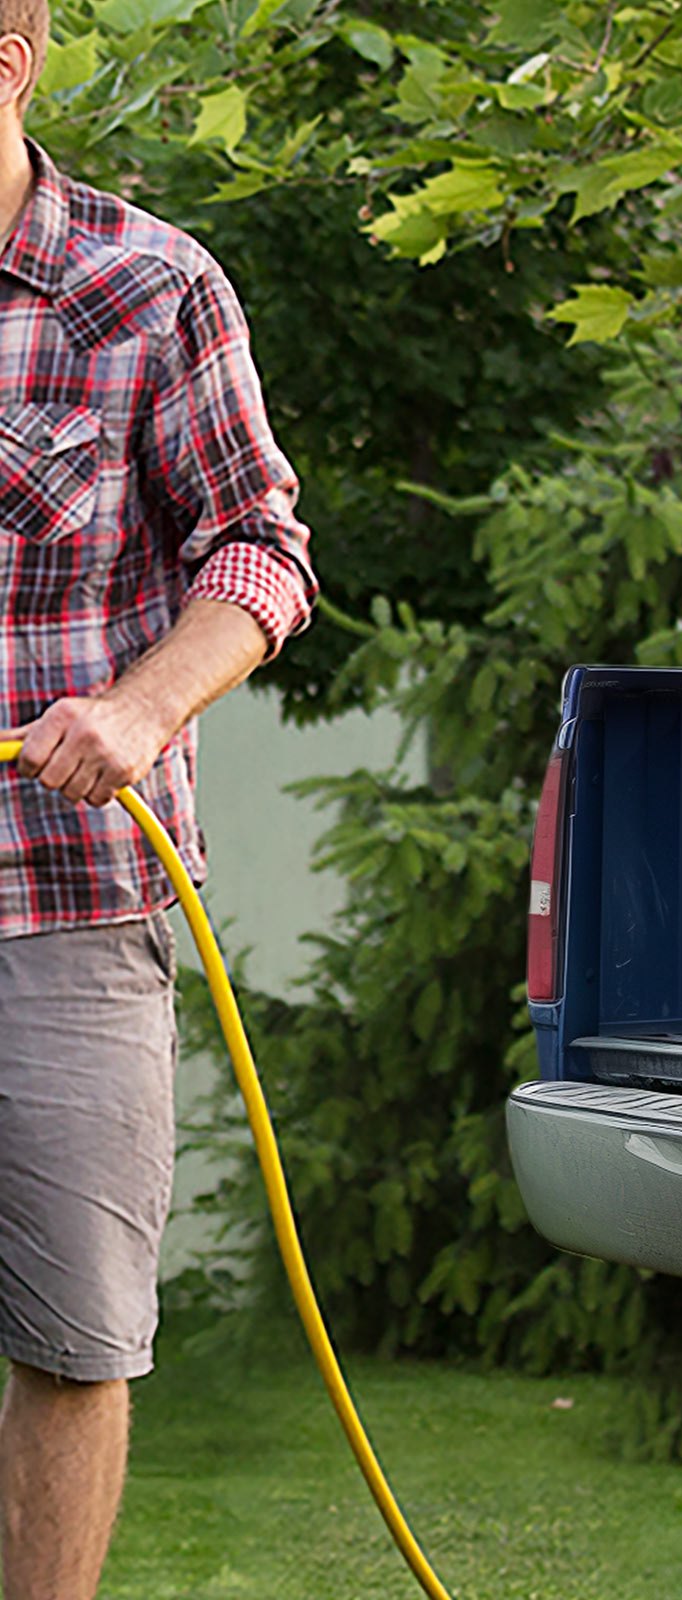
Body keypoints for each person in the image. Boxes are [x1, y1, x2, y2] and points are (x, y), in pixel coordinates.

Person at [0, 5, 317, 1595]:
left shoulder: (144, 288)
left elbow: (261, 556)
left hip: (62, 907)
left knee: (71, 1338)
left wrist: (136, 707)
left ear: (12, 57)